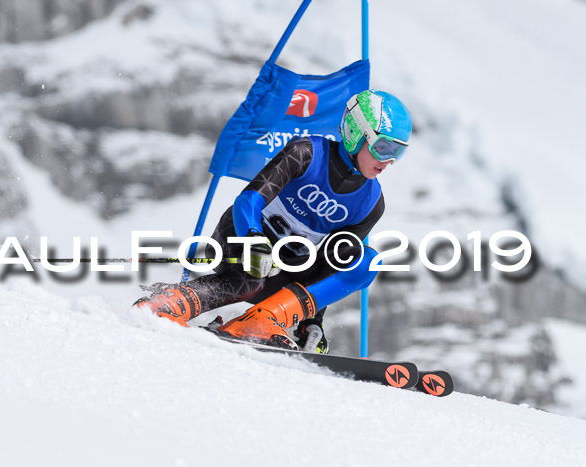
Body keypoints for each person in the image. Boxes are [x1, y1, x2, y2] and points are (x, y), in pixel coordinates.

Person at [134, 89, 413, 353]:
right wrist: (255, 240)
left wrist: (311, 321)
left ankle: (264, 320)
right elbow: (248, 201)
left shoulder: (371, 202)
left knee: (367, 261)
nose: (388, 160)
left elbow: (333, 263)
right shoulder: (307, 153)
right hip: (240, 239)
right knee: (249, 278)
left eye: (397, 152)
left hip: (288, 271)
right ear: (356, 132)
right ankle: (169, 301)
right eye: (383, 147)